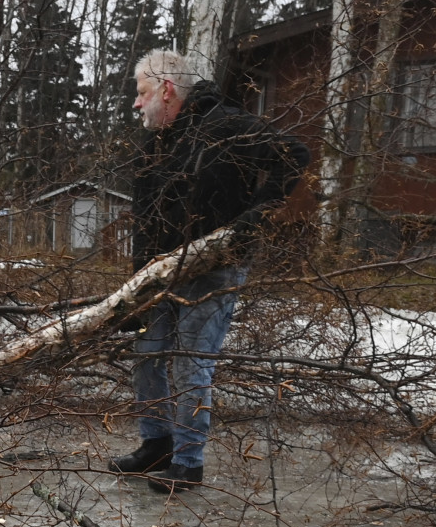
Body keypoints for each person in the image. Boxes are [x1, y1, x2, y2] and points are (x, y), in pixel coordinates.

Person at [108, 48, 307, 493]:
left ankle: (188, 463)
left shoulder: (226, 127)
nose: (136, 104)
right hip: (162, 274)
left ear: (167, 89)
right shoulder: (154, 146)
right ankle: (156, 442)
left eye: (142, 93)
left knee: (190, 364)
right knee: (148, 356)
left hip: (215, 267)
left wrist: (254, 217)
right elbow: (145, 222)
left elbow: (293, 152)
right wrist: (137, 289)